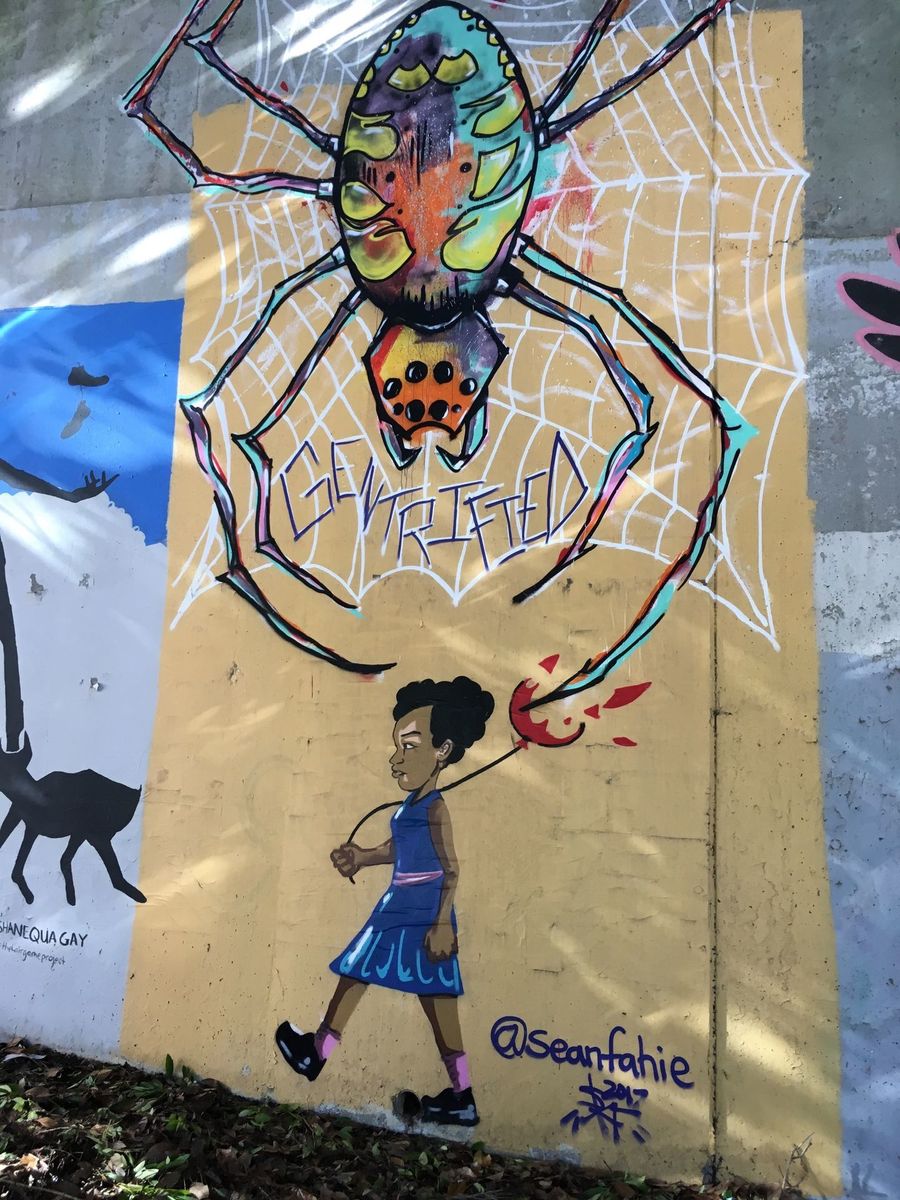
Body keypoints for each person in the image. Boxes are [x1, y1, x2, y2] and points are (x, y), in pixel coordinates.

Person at [276, 676, 494, 1127]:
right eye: (397, 747)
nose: (396, 758)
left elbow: (451, 868)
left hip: (424, 909)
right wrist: (362, 857)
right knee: (356, 971)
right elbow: (399, 848)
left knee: (437, 1001)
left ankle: (462, 1094)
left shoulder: (436, 808)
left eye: (409, 747)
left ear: (443, 750)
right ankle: (317, 1052)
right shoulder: (411, 805)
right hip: (397, 903)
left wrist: (442, 923)